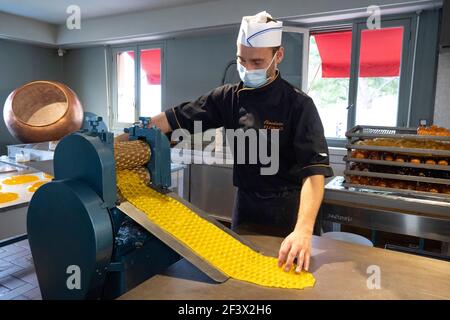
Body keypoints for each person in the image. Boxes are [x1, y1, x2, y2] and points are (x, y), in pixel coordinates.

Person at [117, 11, 333, 273]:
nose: (248, 69)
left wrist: (303, 230)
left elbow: (314, 174)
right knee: (241, 275)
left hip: (288, 210)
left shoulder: (299, 105)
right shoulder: (228, 98)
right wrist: (115, 142)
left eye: (257, 61)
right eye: (242, 60)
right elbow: (173, 118)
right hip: (246, 204)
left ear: (278, 56)